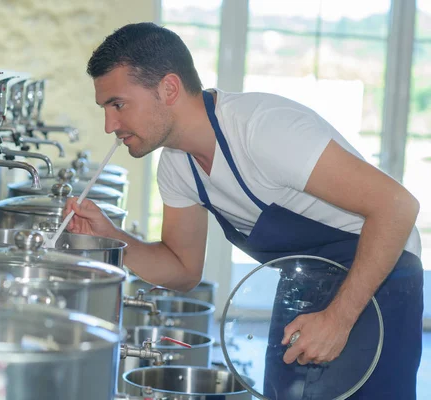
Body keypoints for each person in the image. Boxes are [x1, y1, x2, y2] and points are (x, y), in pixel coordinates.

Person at [63, 22, 423, 399]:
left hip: (379, 279)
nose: (110, 125)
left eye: (117, 105)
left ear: (168, 88)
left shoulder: (263, 129)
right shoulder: (176, 165)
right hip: (304, 282)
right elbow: (183, 270)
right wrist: (113, 239)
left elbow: (397, 207)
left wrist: (338, 318)